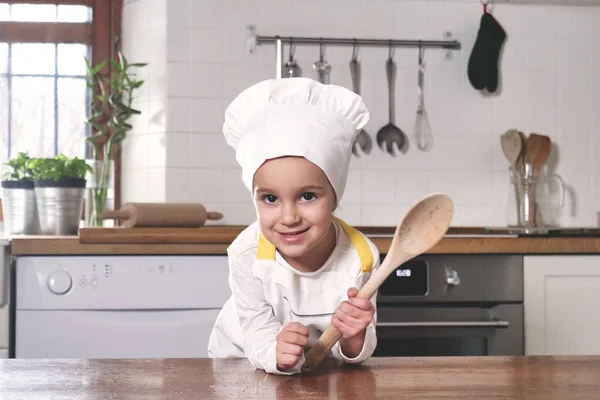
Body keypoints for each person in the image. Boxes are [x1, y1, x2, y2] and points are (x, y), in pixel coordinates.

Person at [207, 77, 380, 375]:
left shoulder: (361, 256)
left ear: (335, 196)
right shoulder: (246, 254)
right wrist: (274, 350)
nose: (289, 217)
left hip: (316, 369)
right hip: (239, 364)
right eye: (270, 198)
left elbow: (352, 349)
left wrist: (354, 336)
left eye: (307, 196)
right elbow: (256, 330)